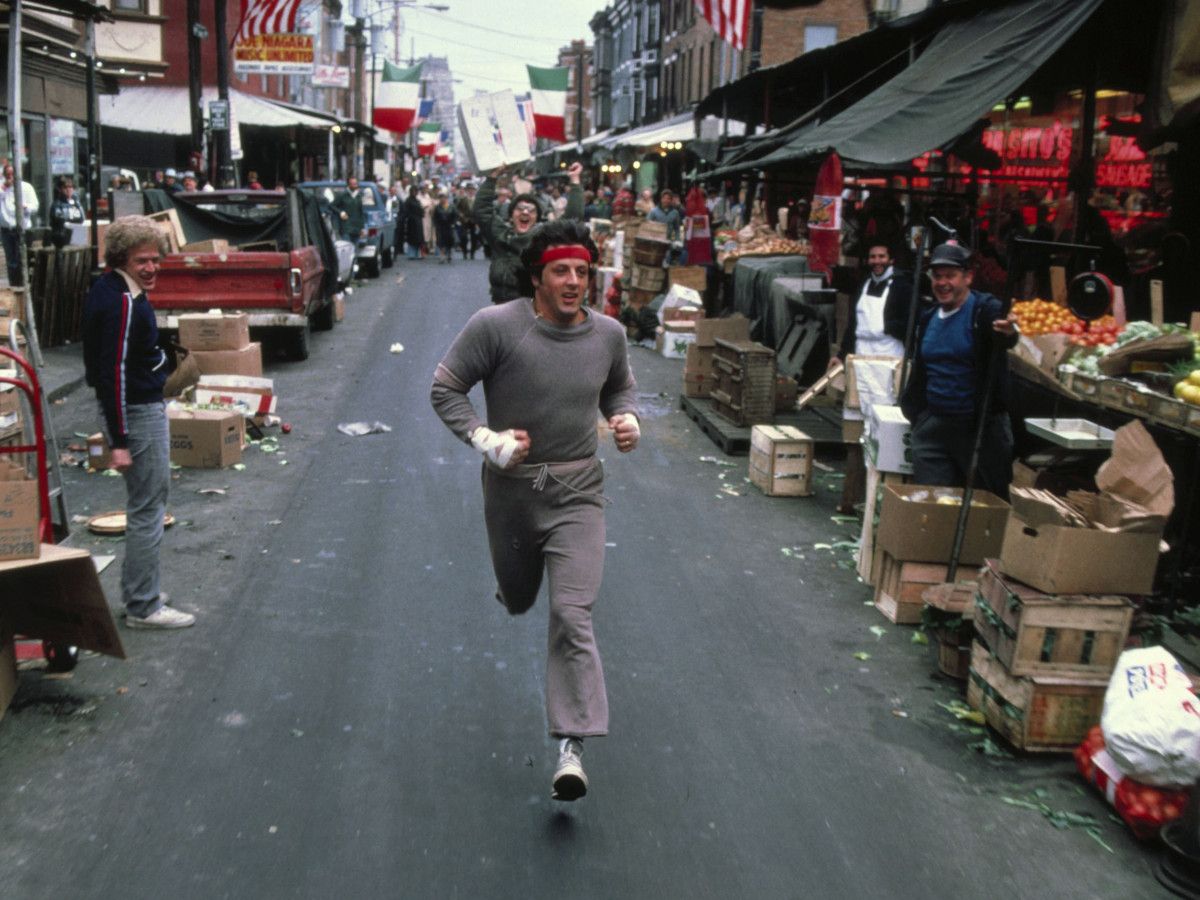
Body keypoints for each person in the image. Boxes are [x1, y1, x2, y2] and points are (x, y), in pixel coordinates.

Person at [430, 218, 640, 802]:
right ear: (536, 278)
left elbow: (620, 388)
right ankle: (515, 583)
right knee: (521, 596)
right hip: (514, 492)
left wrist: (628, 420)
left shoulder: (608, 335)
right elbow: (445, 388)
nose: (574, 282)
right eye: (561, 271)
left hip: (578, 492)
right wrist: (486, 440)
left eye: (582, 271)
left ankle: (572, 746)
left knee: (572, 613)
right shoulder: (496, 328)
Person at [81, 216, 194, 630]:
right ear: (121, 259)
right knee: (148, 508)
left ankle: (139, 592)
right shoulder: (122, 303)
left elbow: (118, 363)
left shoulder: (111, 290)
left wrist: (160, 361)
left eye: (155, 259)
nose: (151, 268)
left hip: (134, 408)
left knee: (144, 506)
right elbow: (111, 372)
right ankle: (144, 607)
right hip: (137, 413)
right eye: (142, 260)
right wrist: (121, 440)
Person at [899, 241, 1019, 500]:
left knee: (984, 505)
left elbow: (1003, 333)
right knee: (933, 502)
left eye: (951, 275)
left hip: (978, 429)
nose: (943, 283)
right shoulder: (928, 317)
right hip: (935, 428)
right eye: (937, 276)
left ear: (968, 277)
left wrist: (1009, 331)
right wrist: (917, 415)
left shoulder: (983, 310)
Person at [832, 242, 915, 513]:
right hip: (861, 357)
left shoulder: (902, 287)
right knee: (857, 426)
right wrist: (842, 354)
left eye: (881, 256)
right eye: (872, 256)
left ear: (890, 258)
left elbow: (912, 325)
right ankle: (854, 495)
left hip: (889, 357)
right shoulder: (863, 285)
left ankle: (881, 497)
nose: (877, 261)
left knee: (885, 424)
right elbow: (852, 326)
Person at [474, 161, 583, 304]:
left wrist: (575, 180)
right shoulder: (500, 235)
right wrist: (493, 177)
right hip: (500, 306)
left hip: (531, 309)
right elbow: (482, 210)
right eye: (520, 209)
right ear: (511, 215)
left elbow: (572, 219)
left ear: (536, 218)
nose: (525, 212)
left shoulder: (543, 237)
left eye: (531, 210)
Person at [0, 163, 39, 286]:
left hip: (22, 229)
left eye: (12, 174)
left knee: (21, 260)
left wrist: (25, 206)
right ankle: (14, 287)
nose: (10, 177)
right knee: (11, 262)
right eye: (7, 175)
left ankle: (23, 287)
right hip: (6, 230)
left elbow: (35, 206)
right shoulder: (1, 190)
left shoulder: (26, 187)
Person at [49, 176, 85, 250]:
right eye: (65, 187)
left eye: (71, 187)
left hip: (78, 237)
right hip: (62, 240)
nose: (69, 189)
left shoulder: (77, 203)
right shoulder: (57, 204)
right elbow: (60, 219)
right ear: (60, 189)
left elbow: (82, 218)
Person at [332, 175, 366, 242]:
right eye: (353, 184)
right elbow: (332, 206)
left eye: (356, 184)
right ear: (348, 185)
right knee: (347, 246)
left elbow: (361, 212)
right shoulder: (342, 195)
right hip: (346, 227)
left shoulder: (359, 196)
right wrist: (340, 212)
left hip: (356, 228)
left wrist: (362, 228)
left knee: (355, 248)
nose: (355, 185)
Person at [432, 192, 457, 264]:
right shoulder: (437, 207)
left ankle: (449, 254)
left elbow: (455, 216)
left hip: (449, 226)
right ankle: (442, 255)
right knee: (441, 241)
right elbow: (435, 217)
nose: (442, 199)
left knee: (449, 241)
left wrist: (453, 223)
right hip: (441, 227)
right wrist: (436, 224)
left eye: (444, 198)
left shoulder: (452, 206)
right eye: (441, 198)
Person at [403, 186, 424, 260]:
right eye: (414, 191)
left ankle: (418, 254)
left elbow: (421, 211)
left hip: (418, 222)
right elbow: (405, 212)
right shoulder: (408, 201)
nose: (415, 193)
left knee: (419, 239)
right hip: (411, 222)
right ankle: (411, 254)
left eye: (416, 191)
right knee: (412, 238)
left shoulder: (417, 201)